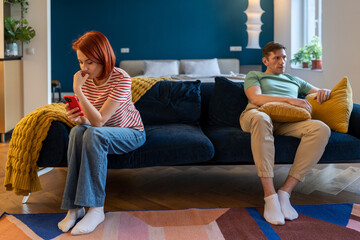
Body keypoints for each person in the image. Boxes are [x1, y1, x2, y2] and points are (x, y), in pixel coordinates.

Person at [57, 31, 146, 235]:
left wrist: (77, 91)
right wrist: (80, 119)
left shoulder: (121, 78)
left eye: (89, 62)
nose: (84, 68)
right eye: (80, 62)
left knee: (93, 134)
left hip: (130, 132)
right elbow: (90, 121)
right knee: (77, 131)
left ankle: (96, 209)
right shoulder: (86, 80)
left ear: (103, 58)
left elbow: (100, 121)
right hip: (102, 131)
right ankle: (75, 207)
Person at [240, 42, 331, 225]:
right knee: (261, 119)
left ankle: (285, 192)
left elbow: (318, 92)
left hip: (287, 123)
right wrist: (291, 100)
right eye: (277, 58)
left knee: (321, 128)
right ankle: (270, 195)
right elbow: (256, 98)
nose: (282, 62)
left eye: (284, 57)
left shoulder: (294, 79)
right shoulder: (255, 75)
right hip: (257, 116)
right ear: (266, 60)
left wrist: (326, 92)